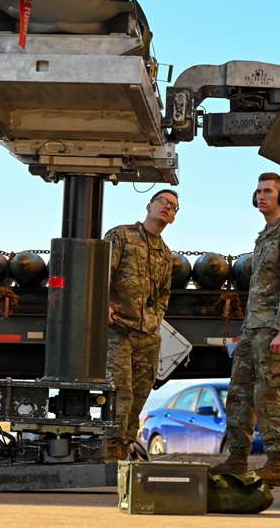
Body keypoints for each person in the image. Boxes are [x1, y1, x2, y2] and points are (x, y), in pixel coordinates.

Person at [210, 172, 280, 487]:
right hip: (253, 328)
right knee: (239, 395)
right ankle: (237, 459)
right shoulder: (264, 236)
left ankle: (276, 464)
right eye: (258, 192)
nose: (261, 196)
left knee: (270, 395)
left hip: (273, 330)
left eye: (268, 191)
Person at [103, 189, 178, 463]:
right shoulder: (121, 236)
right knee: (120, 395)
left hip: (148, 335)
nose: (167, 208)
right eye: (163, 202)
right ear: (149, 205)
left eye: (173, 207)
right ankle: (110, 457)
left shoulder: (166, 254)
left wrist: (156, 318)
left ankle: (122, 454)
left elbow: (164, 294)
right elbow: (100, 272)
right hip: (119, 330)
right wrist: (103, 305)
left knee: (139, 397)